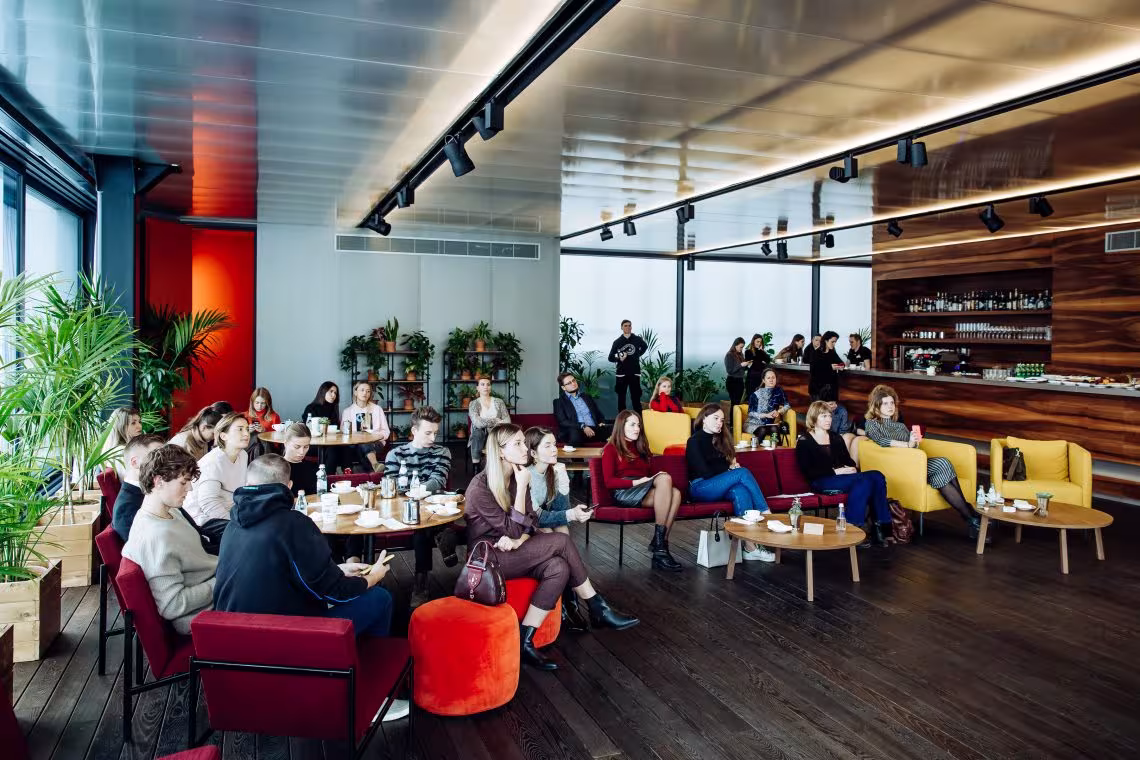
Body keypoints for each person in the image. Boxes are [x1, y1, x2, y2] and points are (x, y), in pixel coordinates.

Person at [213, 454, 407, 722]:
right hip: (283, 642)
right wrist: (371, 577)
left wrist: (337, 569)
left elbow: (277, 571)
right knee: (380, 598)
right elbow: (330, 592)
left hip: (233, 640)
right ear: (289, 486)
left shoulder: (234, 523)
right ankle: (372, 696)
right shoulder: (293, 523)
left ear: (248, 484)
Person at [466, 424, 639, 670]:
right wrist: (521, 493)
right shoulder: (480, 487)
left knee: (558, 567)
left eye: (524, 442)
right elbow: (514, 528)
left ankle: (525, 640)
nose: (525, 448)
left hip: (513, 551)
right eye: (518, 444)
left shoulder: (517, 477)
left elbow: (530, 524)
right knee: (561, 540)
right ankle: (596, 606)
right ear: (501, 452)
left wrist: (518, 540)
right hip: (487, 560)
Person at [864, 384, 986, 541]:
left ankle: (971, 519)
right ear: (877, 406)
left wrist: (914, 442)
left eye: (892, 403)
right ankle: (970, 513)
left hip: (914, 463)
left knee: (942, 469)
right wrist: (907, 445)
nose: (890, 406)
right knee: (942, 463)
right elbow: (881, 441)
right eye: (885, 403)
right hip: (898, 467)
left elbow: (914, 448)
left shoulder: (900, 425)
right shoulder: (872, 424)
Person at [121, 445, 217, 634]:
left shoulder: (170, 512)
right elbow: (172, 605)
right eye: (183, 482)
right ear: (159, 482)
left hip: (215, 588)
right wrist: (222, 582)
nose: (190, 488)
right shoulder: (155, 536)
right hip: (205, 616)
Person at [383, 406, 456, 606]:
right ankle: (442, 536)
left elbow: (438, 480)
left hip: (432, 508)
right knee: (422, 524)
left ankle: (421, 583)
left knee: (422, 526)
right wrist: (417, 493)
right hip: (403, 507)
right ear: (414, 431)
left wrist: (414, 490)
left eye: (435, 433)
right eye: (428, 433)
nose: (433, 438)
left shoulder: (443, 452)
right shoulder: (395, 454)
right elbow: (391, 484)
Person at [525, 427, 595, 632]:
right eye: (547, 445)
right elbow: (536, 517)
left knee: (561, 530)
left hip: (540, 523)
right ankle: (570, 604)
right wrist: (571, 514)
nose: (554, 449)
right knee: (555, 536)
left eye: (555, 444)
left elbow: (560, 510)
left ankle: (568, 604)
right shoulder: (527, 476)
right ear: (533, 452)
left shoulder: (551, 471)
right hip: (521, 527)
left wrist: (562, 480)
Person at [685, 404, 774, 562]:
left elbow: (722, 470)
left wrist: (731, 469)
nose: (720, 423)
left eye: (722, 420)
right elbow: (705, 472)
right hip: (700, 487)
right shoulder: (694, 441)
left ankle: (750, 548)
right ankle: (766, 513)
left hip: (718, 486)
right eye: (716, 418)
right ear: (704, 418)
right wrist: (730, 471)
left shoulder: (721, 441)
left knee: (741, 491)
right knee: (742, 473)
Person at [795, 401, 889, 548]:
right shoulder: (804, 441)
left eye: (829, 416)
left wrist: (851, 468)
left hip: (842, 477)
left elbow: (848, 461)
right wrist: (836, 471)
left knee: (877, 475)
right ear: (814, 418)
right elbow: (808, 471)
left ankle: (878, 525)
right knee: (865, 481)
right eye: (823, 416)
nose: (828, 419)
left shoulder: (835, 437)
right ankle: (860, 529)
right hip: (820, 481)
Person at [601, 410, 683, 572]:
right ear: (621, 426)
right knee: (665, 478)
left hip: (643, 488)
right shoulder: (611, 449)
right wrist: (637, 482)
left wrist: (647, 480)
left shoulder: (641, 447)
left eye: (638, 425)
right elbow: (609, 482)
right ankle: (660, 547)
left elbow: (648, 474)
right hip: (624, 491)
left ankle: (660, 548)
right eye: (632, 425)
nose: (637, 428)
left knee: (676, 493)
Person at [181, 413, 250, 526]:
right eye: (240, 429)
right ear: (223, 436)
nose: (246, 433)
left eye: (247, 429)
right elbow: (208, 503)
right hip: (204, 518)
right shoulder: (214, 462)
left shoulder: (243, 455)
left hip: (230, 510)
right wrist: (235, 524)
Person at [110, 434, 166, 541]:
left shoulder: (155, 490)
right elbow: (145, 547)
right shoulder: (127, 507)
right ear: (135, 462)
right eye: (156, 456)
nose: (164, 462)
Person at [340, 380, 390, 472]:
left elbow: (386, 431)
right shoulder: (347, 412)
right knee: (360, 444)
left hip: (376, 443)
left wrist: (373, 437)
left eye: (368, 391)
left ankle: (357, 474)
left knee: (364, 443)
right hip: (354, 444)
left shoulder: (377, 409)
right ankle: (374, 466)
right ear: (355, 392)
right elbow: (343, 433)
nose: (365, 393)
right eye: (362, 390)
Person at [553, 372, 610, 445]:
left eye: (574, 380)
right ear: (563, 387)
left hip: (594, 430)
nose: (573, 384)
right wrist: (583, 426)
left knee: (614, 428)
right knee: (575, 432)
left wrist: (602, 422)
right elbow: (563, 421)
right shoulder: (559, 402)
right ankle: (576, 453)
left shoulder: (587, 397)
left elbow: (598, 413)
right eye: (569, 383)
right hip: (577, 431)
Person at [815, 384, 864, 464]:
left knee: (844, 438)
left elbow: (843, 431)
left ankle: (844, 464)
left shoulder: (841, 411)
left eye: (835, 403)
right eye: (831, 404)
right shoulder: (816, 412)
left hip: (839, 435)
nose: (835, 406)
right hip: (825, 436)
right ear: (822, 404)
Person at [468, 377, 510, 467]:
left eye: (488, 384)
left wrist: (485, 421)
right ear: (477, 388)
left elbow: (507, 421)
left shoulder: (499, 402)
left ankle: (502, 465)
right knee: (478, 433)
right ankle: (476, 466)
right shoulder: (473, 404)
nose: (485, 387)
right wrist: (496, 420)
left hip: (497, 433)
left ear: (490, 387)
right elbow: (477, 423)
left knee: (503, 434)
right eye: (482, 384)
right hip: (481, 435)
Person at [608, 319, 648, 412]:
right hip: (621, 373)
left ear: (631, 327)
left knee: (636, 397)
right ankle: (622, 419)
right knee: (621, 398)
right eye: (625, 325)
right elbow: (610, 357)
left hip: (634, 372)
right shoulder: (617, 342)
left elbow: (645, 347)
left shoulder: (637, 339)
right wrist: (619, 358)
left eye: (629, 325)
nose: (628, 327)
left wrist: (637, 355)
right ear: (621, 328)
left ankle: (639, 418)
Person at [301, 381, 341, 470]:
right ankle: (327, 477)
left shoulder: (334, 409)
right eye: (331, 391)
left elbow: (336, 428)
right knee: (332, 450)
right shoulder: (311, 408)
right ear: (323, 391)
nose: (333, 395)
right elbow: (309, 428)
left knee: (342, 448)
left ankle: (345, 471)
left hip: (330, 442)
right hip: (313, 443)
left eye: (335, 393)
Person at [744, 368, 791, 438]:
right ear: (763, 380)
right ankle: (756, 444)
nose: (771, 380)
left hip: (768, 425)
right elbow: (750, 413)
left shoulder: (779, 392)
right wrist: (766, 415)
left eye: (773, 377)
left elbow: (787, 405)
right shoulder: (755, 394)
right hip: (753, 424)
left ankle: (776, 445)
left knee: (774, 429)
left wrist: (779, 412)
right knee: (762, 430)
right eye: (768, 378)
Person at [103, 406, 143, 478]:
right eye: (133, 423)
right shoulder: (121, 451)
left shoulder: (122, 449)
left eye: (139, 422)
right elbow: (131, 479)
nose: (139, 426)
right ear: (121, 427)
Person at [281, 422, 317, 496]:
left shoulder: (313, 468)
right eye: (297, 447)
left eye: (306, 447)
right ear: (286, 443)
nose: (302, 452)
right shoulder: (276, 468)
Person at [809, 331, 844, 398]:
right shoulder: (816, 353)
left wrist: (840, 366)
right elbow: (813, 371)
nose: (834, 344)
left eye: (835, 342)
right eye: (832, 342)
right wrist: (831, 367)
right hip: (818, 389)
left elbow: (841, 363)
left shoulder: (832, 353)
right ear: (826, 341)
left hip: (830, 389)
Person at [723, 337, 751, 404]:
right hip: (732, 381)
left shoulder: (741, 354)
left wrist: (748, 365)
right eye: (741, 347)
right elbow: (729, 371)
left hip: (740, 381)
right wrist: (741, 365)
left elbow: (742, 369)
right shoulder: (729, 355)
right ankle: (733, 411)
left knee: (737, 403)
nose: (742, 349)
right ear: (735, 345)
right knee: (734, 403)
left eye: (742, 347)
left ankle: (735, 411)